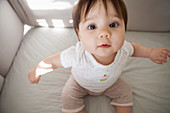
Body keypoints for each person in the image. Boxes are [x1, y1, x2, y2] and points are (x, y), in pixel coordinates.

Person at [28, 0, 170, 113]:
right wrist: (37, 71)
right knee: (67, 97)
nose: (104, 33)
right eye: (92, 27)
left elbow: (135, 49)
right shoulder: (76, 55)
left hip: (111, 83)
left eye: (113, 24)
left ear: (124, 28)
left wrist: (151, 53)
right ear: (79, 34)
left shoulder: (124, 48)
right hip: (79, 84)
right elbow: (52, 62)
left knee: (125, 91)